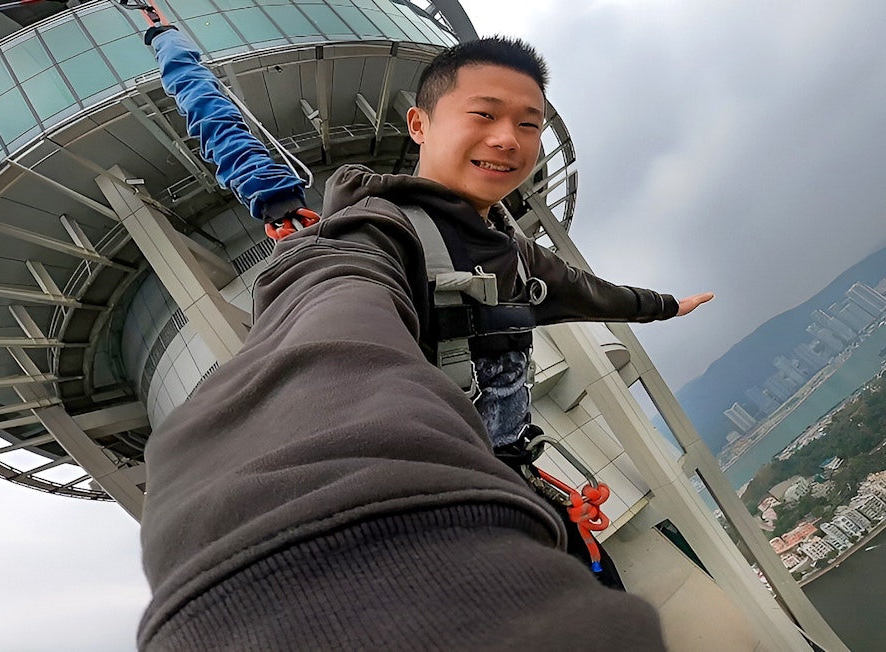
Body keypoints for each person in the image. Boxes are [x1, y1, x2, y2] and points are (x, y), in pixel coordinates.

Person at [136, 24, 697, 650]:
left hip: (518, 486)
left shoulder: (511, 250)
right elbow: (327, 332)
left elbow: (590, 292)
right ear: (419, 124)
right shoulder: (373, 237)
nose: (506, 138)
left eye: (528, 124)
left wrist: (665, 306)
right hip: (457, 514)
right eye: (483, 114)